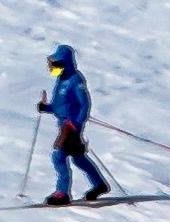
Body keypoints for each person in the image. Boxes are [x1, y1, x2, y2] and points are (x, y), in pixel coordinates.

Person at [38, 45, 114, 203]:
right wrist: (47, 107)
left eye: (57, 64)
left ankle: (62, 193)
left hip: (71, 127)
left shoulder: (75, 79)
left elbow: (84, 104)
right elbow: (60, 105)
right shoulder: (61, 80)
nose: (54, 67)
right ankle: (99, 185)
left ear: (65, 63)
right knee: (78, 158)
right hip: (64, 125)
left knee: (59, 156)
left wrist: (76, 124)